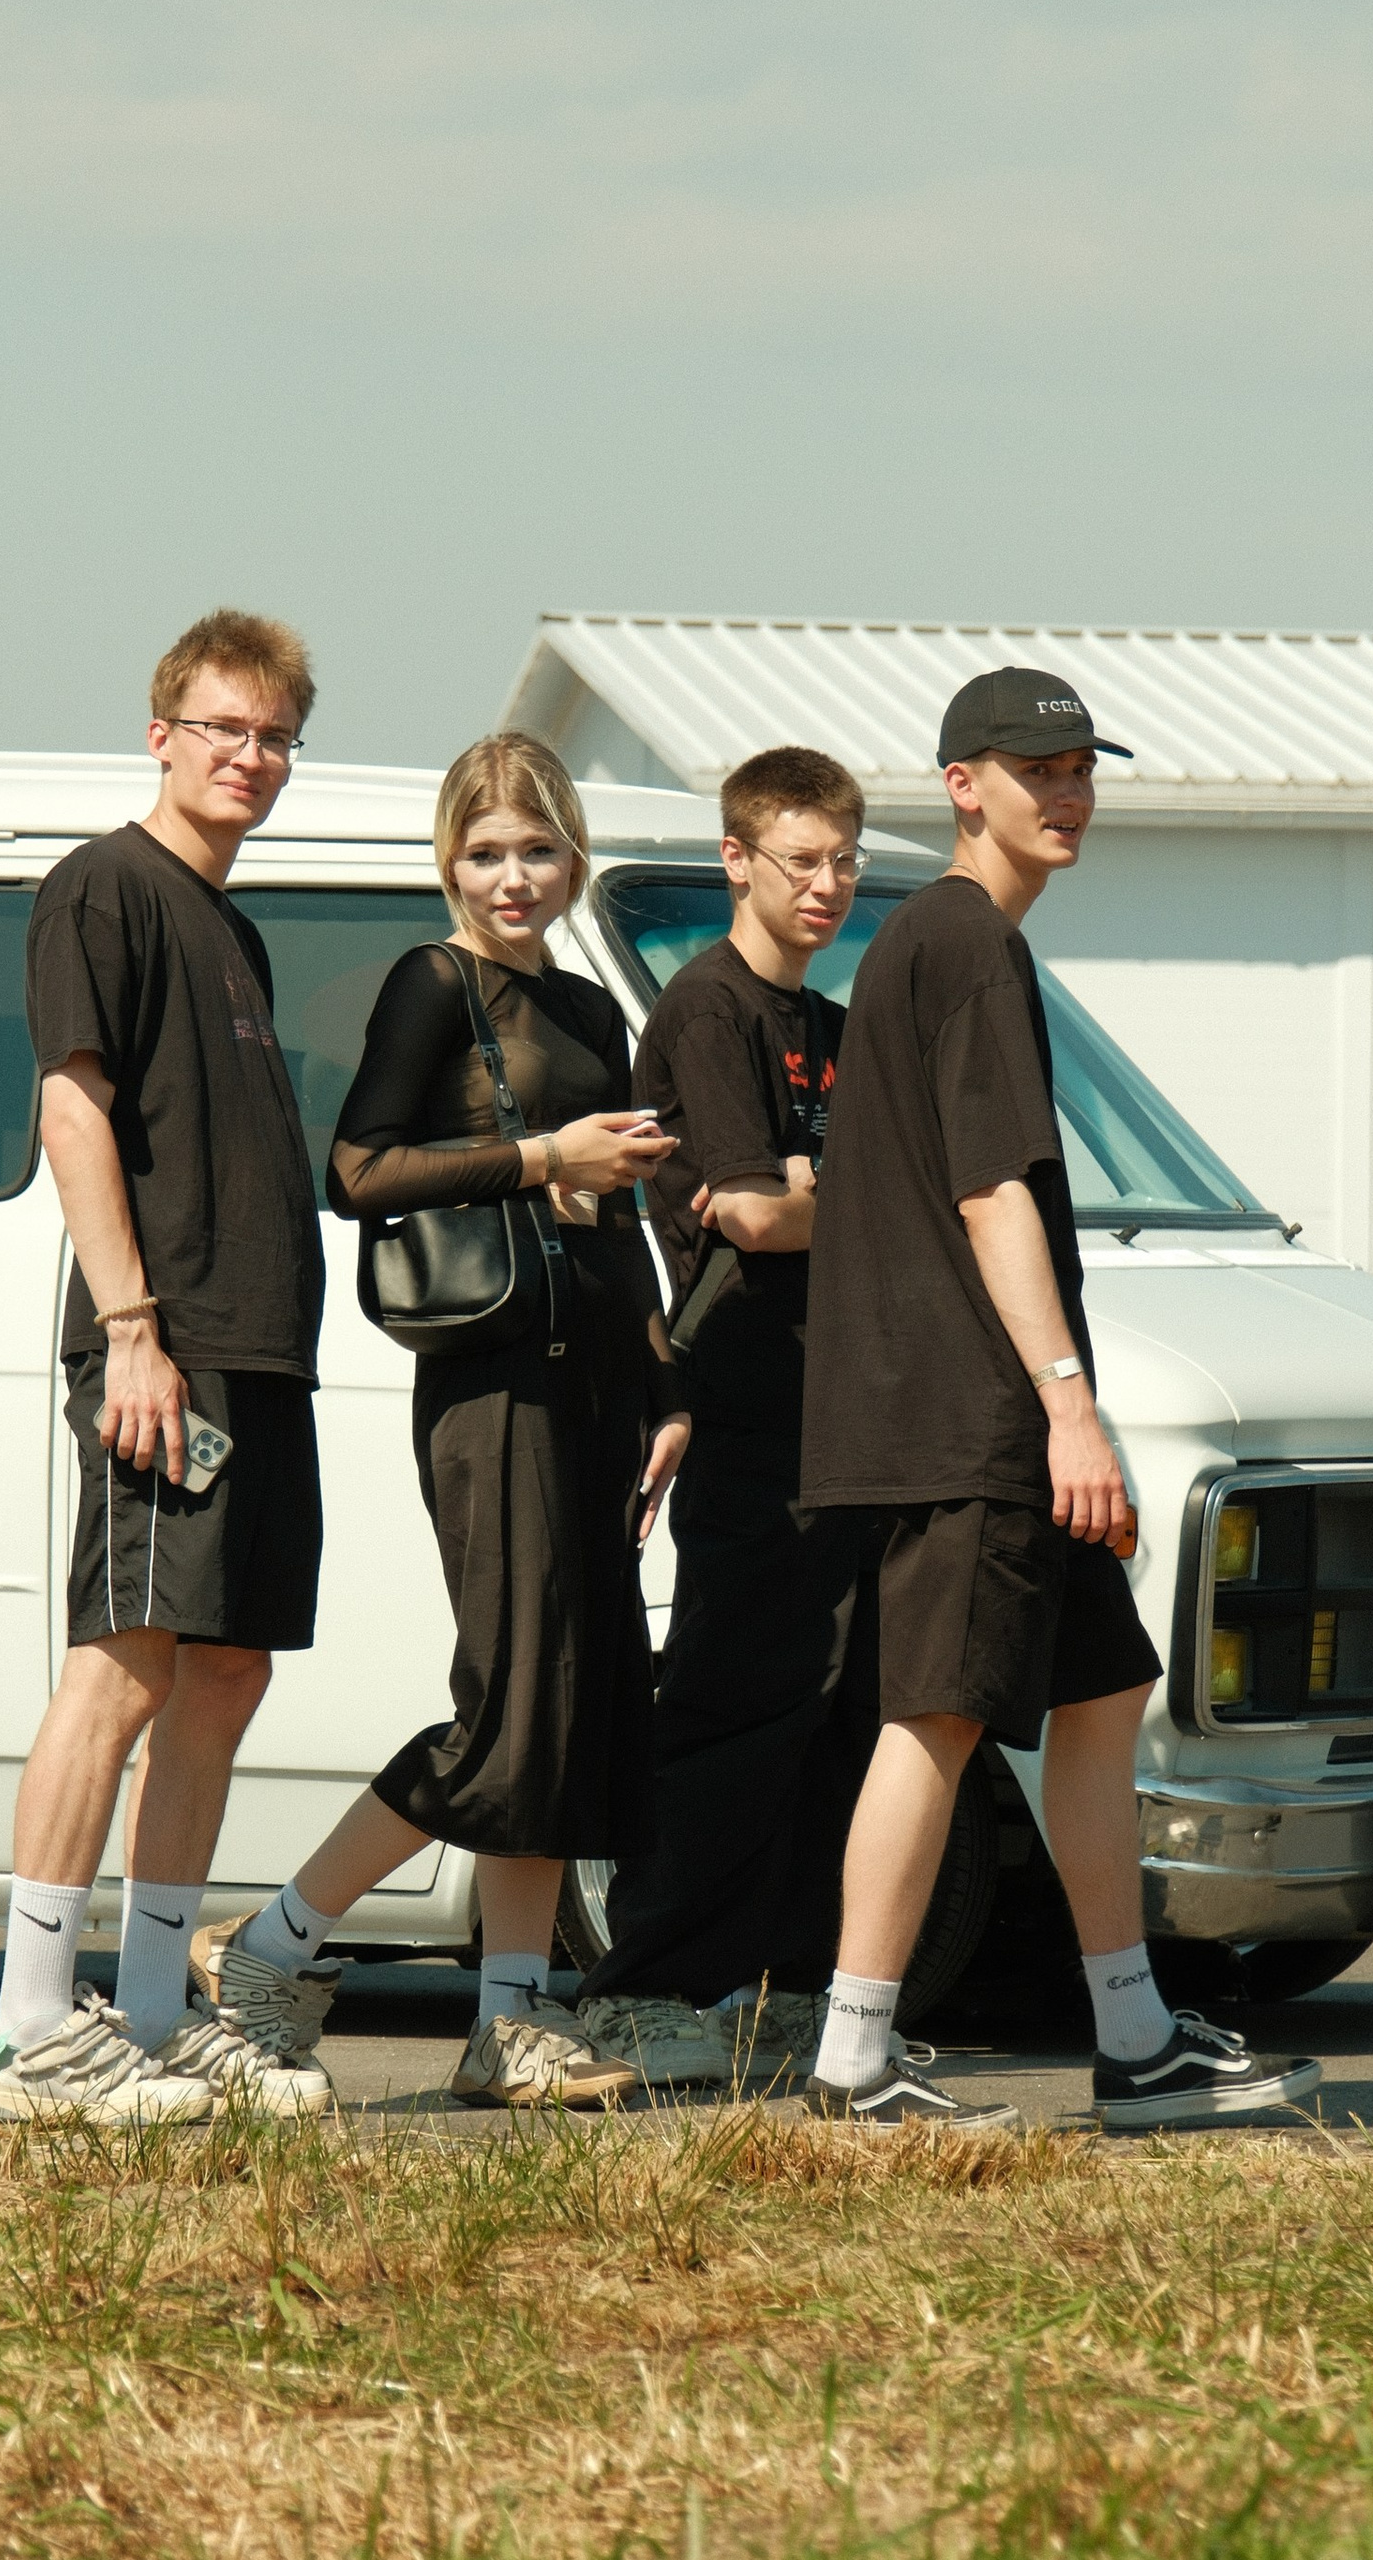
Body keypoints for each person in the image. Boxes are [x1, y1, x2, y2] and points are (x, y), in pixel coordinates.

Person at [799, 667, 1322, 2133]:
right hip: (973, 1416)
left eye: (1083, 763)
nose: (1066, 788)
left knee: (1104, 1695)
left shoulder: (948, 944)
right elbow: (988, 1193)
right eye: (1034, 767)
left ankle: (1137, 2038)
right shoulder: (963, 943)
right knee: (939, 1720)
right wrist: (1067, 1404)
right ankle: (850, 2061)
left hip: (979, 1409)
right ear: (962, 784)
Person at [189, 732, 692, 2109]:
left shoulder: (592, 1012)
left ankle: (510, 2029)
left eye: (535, 850)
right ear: (448, 863)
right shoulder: (434, 985)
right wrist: (540, 1157)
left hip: (595, 1378)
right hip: (489, 1385)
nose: (511, 877)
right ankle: (270, 1942)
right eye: (484, 853)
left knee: (577, 1711)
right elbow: (356, 1170)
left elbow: (627, 1212)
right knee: (512, 1706)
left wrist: (666, 1390)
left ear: (572, 856)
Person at [0, 608, 335, 2126]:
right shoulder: (101, 890)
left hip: (258, 1356)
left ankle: (156, 2010)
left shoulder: (231, 927)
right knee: (118, 1670)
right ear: (161, 731)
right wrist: (131, 1328)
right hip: (160, 1351)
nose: (248, 757)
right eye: (223, 727)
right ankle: (27, 2029)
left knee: (224, 1675)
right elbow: (74, 1113)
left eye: (273, 737)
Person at [571, 746, 881, 2091]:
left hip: (848, 1411)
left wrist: (818, 1189)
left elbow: (833, 1196)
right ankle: (647, 1989)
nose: (827, 887)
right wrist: (817, 1193)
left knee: (836, 1720)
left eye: (844, 862)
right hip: (748, 1408)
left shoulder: (835, 1028)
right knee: (729, 1706)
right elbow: (752, 1212)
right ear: (737, 862)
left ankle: (795, 1995)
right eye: (801, 861)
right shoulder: (711, 1011)